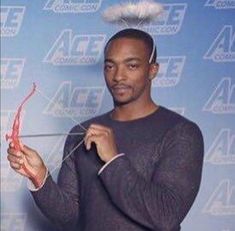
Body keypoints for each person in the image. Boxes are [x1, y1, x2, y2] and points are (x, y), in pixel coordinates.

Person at [7, 28, 204, 231]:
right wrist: (39, 177)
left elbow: (165, 215)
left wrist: (113, 160)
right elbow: (71, 218)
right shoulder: (81, 133)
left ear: (152, 70)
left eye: (132, 65)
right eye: (110, 66)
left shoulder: (181, 133)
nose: (118, 76)